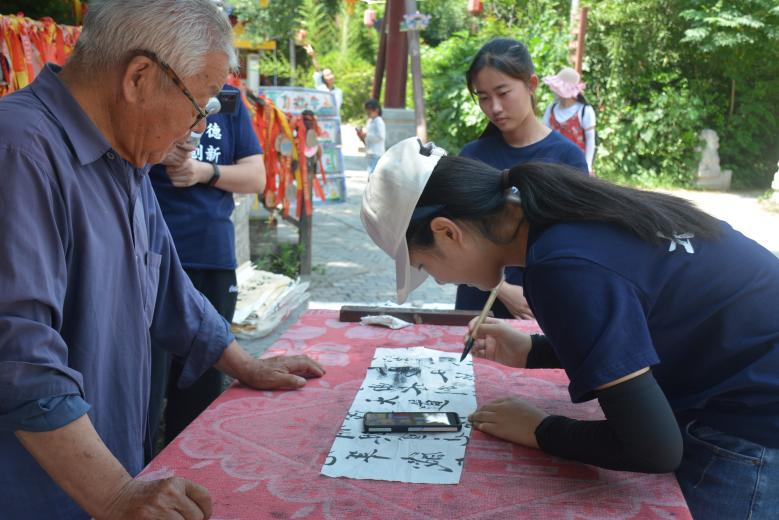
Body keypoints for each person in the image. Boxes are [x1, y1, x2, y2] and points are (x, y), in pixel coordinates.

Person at [0, 1, 324, 518]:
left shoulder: (124, 155)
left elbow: (169, 287)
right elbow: (19, 358)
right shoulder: (19, 150)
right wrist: (115, 494)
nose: (197, 128)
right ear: (139, 78)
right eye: (198, 105)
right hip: (41, 497)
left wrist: (246, 365)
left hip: (108, 470)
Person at [361, 137, 779, 520]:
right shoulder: (566, 217)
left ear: (447, 232)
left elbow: (654, 447)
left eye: (424, 265)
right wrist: (535, 350)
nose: (438, 280)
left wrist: (541, 430)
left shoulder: (561, 266)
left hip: (751, 418)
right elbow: (640, 322)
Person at [147, 82, 265, 454]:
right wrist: (158, 152)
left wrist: (204, 172)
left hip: (210, 255)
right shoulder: (155, 86)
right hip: (150, 257)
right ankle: (135, 475)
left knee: (201, 384)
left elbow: (256, 176)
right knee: (145, 387)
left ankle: (189, 468)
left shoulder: (228, 99)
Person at [456, 38, 588, 320]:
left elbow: (574, 246)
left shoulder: (568, 158)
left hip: (543, 305)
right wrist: (500, 288)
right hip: (478, 307)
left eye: (503, 93)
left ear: (532, 84)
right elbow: (455, 239)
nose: (495, 107)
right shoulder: (471, 156)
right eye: (483, 97)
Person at [542, 66, 597, 174]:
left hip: (575, 165)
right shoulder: (551, 108)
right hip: (552, 163)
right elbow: (543, 133)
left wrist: (588, 166)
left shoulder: (584, 111)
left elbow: (590, 140)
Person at [304, 43, 343, 114]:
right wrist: (313, 56)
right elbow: (318, 70)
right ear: (324, 78)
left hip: (333, 118)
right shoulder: (321, 88)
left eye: (331, 74)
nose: (330, 77)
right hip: (321, 118)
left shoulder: (338, 91)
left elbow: (337, 108)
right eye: (327, 75)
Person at [356, 98, 386, 174]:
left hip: (377, 152)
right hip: (370, 151)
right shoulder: (370, 121)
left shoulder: (379, 121)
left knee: (372, 173)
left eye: (369, 112)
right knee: (370, 171)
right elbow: (367, 137)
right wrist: (362, 136)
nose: (368, 114)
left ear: (376, 110)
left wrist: (366, 135)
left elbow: (381, 136)